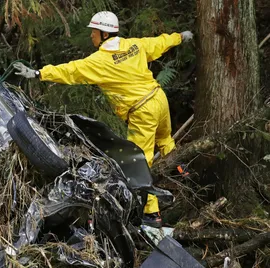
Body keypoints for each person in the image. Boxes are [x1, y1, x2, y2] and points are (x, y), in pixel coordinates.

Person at [13, 11, 193, 227]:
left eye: (94, 32)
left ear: (104, 34)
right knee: (165, 139)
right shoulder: (133, 45)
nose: (92, 36)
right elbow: (158, 42)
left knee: (140, 162)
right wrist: (180, 37)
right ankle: (184, 170)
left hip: (142, 110)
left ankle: (151, 214)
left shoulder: (99, 61)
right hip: (159, 99)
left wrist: (38, 73)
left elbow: (71, 71)